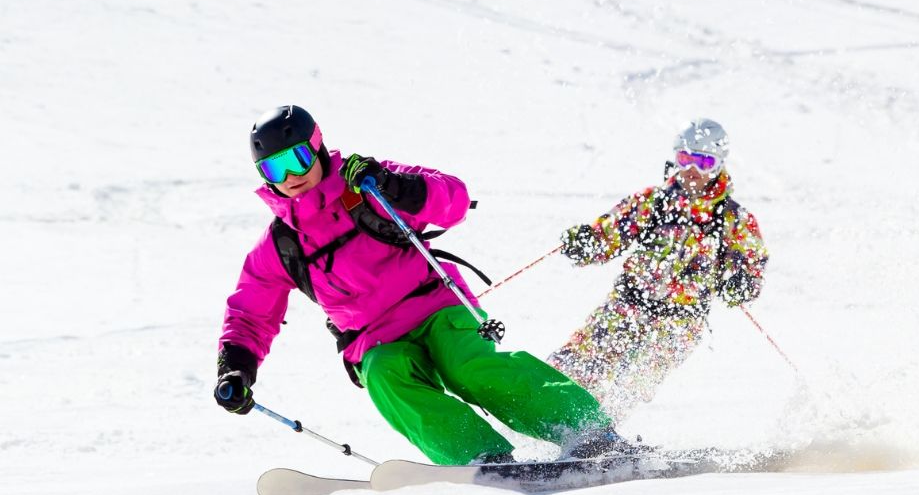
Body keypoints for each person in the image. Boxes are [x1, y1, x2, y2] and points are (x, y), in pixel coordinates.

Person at [215, 104, 623, 465]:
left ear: (317, 148)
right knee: (386, 376)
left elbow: (454, 200)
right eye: (274, 168)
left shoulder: (366, 182)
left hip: (437, 305)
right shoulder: (281, 243)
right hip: (373, 338)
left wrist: (396, 186)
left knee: (471, 367)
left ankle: (587, 432)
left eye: (298, 159)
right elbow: (250, 310)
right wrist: (235, 369)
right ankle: (482, 457)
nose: (290, 177)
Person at [548, 118, 768, 422]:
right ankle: (546, 417)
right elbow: (610, 234)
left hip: (678, 322)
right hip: (627, 306)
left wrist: (741, 283)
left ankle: (597, 436)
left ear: (719, 165)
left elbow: (751, 264)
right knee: (576, 366)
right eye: (686, 158)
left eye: (704, 161)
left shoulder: (733, 218)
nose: (693, 170)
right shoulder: (653, 201)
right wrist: (588, 242)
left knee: (629, 383)